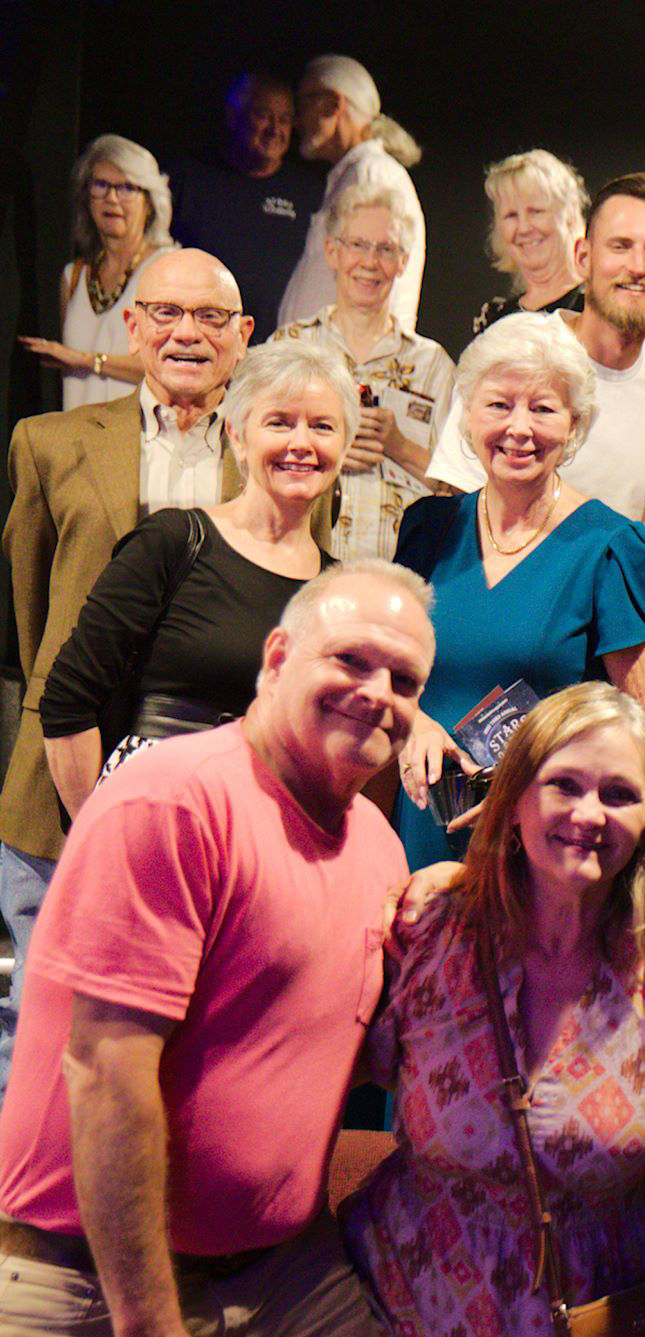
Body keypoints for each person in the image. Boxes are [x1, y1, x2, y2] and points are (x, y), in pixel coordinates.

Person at [0, 561, 435, 1337]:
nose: (377, 693)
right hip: (91, 1295)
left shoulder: (380, 850)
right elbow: (104, 1071)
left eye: (404, 680)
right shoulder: (176, 800)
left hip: (286, 1286)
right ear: (277, 656)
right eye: (350, 659)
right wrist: (149, 1332)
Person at [343, 681, 645, 1337]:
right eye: (563, 785)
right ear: (511, 800)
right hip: (402, 1321)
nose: (587, 814)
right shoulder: (430, 924)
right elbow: (350, 1061)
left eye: (619, 794)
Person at [0, 248, 252, 1093]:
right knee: (41, 1025)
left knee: (180, 1032)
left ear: (243, 337)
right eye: (168, 313)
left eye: (212, 317)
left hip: (206, 788)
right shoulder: (47, 444)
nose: (188, 333)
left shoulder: (272, 455)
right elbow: (30, 614)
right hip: (59, 781)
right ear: (133, 326)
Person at [393, 312, 645, 872]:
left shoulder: (612, 547)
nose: (519, 428)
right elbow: (384, 673)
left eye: (543, 409)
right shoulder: (427, 530)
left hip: (542, 847)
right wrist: (412, 721)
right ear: (468, 415)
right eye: (499, 405)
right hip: (417, 831)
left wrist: (544, 794)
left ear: (574, 426)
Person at [39, 338, 348, 816]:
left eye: (322, 427)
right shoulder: (173, 541)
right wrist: (96, 837)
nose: (301, 443)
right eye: (279, 423)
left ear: (344, 446)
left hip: (268, 829)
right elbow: (67, 700)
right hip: (152, 812)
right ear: (238, 438)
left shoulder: (339, 592)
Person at [430, 175, 645, 521]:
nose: (638, 267)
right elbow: (455, 497)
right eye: (620, 246)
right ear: (583, 257)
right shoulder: (516, 347)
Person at [270, 184, 454, 560]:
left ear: (403, 261)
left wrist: (399, 446)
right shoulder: (288, 350)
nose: (370, 262)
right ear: (332, 252)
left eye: (385, 249)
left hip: (401, 575)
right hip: (302, 568)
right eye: (357, 245)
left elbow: (462, 487)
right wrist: (327, 444)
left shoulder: (432, 366)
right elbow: (248, 460)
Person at [17, 135, 175, 410]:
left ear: (149, 202)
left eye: (126, 187)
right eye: (100, 185)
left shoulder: (167, 269)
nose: (111, 198)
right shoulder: (74, 276)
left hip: (142, 442)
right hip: (79, 442)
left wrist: (88, 361)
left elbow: (169, 369)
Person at [167, 69, 327, 335]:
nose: (275, 129)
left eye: (285, 119)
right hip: (200, 340)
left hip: (279, 350)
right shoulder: (189, 179)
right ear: (233, 116)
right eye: (263, 115)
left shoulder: (309, 192)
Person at [279, 54, 425, 330]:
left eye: (304, 104)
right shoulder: (351, 175)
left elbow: (381, 280)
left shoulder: (373, 174)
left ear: (334, 103)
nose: (297, 121)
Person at [470, 148, 588, 336]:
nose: (524, 228)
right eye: (511, 215)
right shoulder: (493, 320)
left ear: (570, 214)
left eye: (536, 211)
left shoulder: (597, 307)